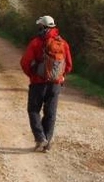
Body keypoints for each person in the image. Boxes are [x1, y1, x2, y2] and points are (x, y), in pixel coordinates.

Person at [20, 15, 72, 152]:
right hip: (55, 84)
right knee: (50, 114)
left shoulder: (36, 42)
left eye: (40, 26)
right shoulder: (63, 43)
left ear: (42, 27)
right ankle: (47, 144)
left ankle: (40, 138)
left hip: (38, 83)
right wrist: (60, 76)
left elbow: (25, 62)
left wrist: (32, 75)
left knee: (33, 110)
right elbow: (69, 65)